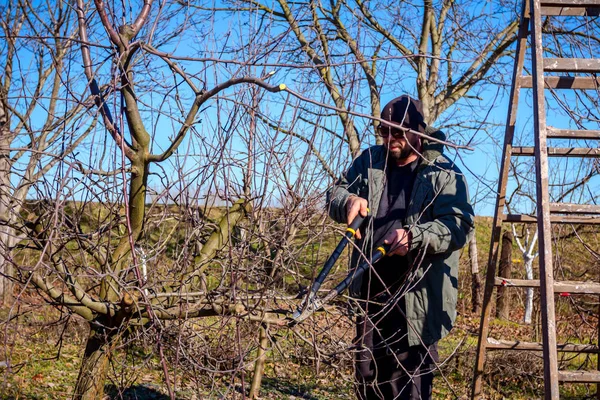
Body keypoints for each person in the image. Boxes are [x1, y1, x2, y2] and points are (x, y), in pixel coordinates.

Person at [326, 95, 474, 399]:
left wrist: (415, 237)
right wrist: (348, 201)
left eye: (397, 132)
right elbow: (334, 193)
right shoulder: (369, 161)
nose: (389, 139)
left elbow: (459, 225)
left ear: (418, 131)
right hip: (369, 295)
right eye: (383, 131)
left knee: (408, 389)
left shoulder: (444, 173)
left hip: (416, 302)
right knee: (367, 382)